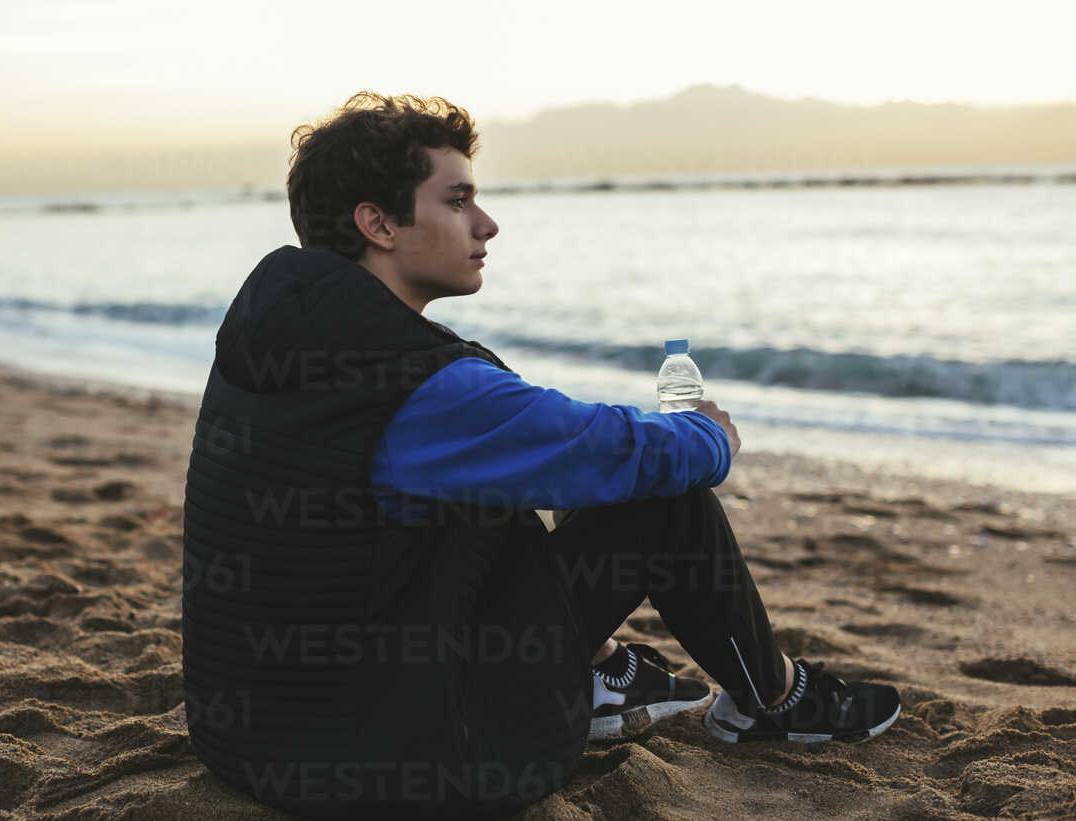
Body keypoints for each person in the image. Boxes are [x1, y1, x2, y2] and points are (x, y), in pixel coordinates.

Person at [181, 91, 901, 819]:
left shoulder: (282, 332)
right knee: (666, 500)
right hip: (400, 760)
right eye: (457, 200)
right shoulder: (419, 385)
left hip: (252, 734)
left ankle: (602, 671)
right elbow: (609, 449)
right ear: (379, 223)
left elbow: (525, 454)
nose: (486, 224)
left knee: (494, 482)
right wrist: (710, 438)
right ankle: (774, 699)